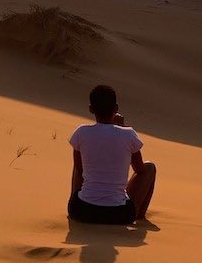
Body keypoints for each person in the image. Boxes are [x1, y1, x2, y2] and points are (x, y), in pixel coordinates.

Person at [67, 84, 156, 225]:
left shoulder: (81, 132)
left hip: (82, 211)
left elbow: (80, 169)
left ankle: (74, 207)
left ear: (91, 109)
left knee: (78, 165)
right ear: (116, 109)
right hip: (119, 215)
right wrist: (122, 128)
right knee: (150, 168)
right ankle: (139, 216)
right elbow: (140, 170)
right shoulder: (128, 134)